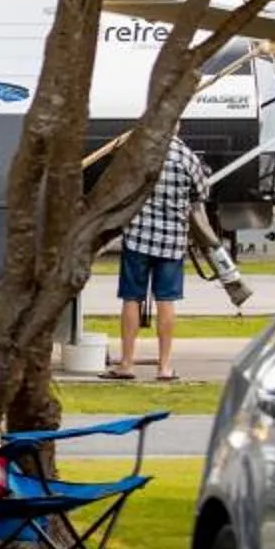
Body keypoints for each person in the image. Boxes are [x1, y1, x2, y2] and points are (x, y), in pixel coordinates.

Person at [112, 134, 211, 382]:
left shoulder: (139, 153)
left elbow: (119, 189)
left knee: (131, 298)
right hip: (172, 240)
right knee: (166, 300)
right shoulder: (186, 157)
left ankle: (126, 363)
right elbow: (202, 193)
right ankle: (164, 366)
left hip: (137, 236)